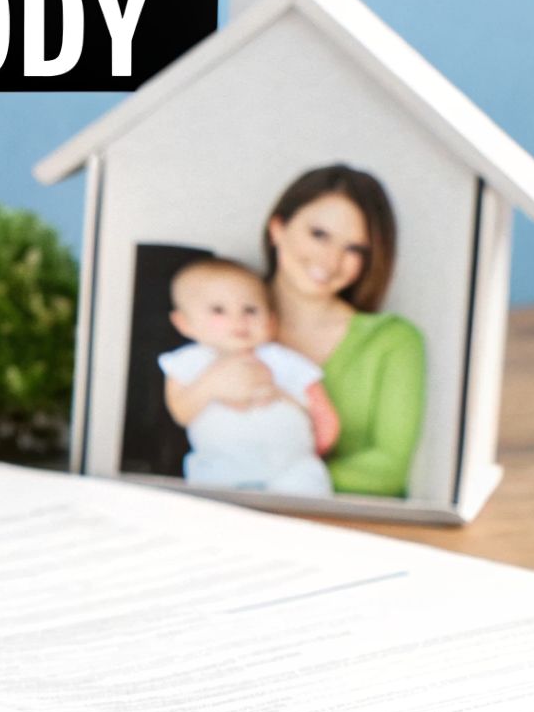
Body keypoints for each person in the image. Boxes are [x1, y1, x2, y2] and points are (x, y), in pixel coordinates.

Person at [168, 165, 425, 497]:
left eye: (354, 249)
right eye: (319, 234)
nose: (331, 261)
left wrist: (279, 480)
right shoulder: (211, 318)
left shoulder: (394, 341)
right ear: (278, 229)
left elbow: (388, 470)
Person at [160, 258, 338, 496]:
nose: (239, 320)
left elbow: (322, 413)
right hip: (219, 470)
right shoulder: (188, 362)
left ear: (271, 321)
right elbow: (180, 412)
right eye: (218, 310)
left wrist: (282, 397)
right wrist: (211, 384)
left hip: (291, 467)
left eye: (251, 310)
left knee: (306, 507)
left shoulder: (285, 360)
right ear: (185, 323)